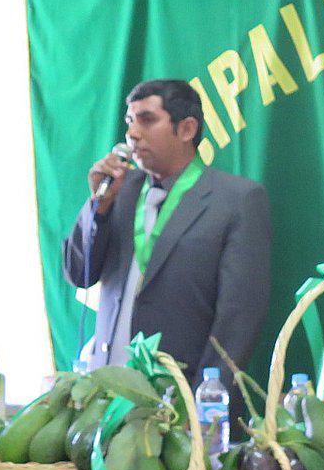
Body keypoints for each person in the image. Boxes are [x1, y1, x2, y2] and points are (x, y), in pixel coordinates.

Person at [63, 78, 271, 380]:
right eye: (130, 122)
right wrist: (99, 207)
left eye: (147, 121)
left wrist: (205, 403)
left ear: (186, 129)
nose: (132, 134)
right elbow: (77, 273)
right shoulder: (118, 191)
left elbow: (238, 320)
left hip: (178, 395)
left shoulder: (237, 200)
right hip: (106, 387)